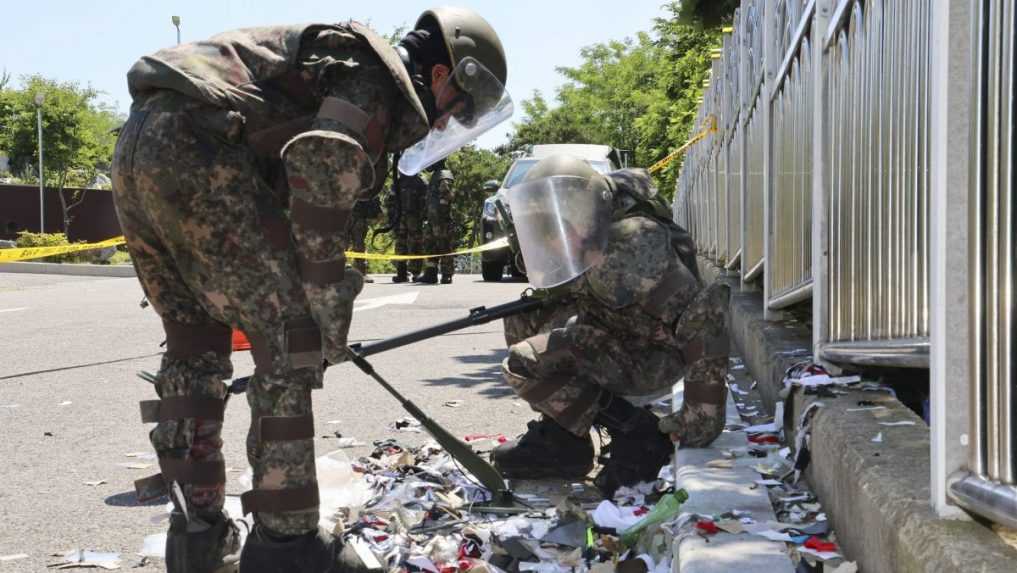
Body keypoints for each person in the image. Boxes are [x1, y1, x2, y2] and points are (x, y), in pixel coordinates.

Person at [112, 8, 508, 572]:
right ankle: (287, 544)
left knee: (193, 349)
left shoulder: (329, 59)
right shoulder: (377, 73)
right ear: (441, 75)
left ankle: (195, 538)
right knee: (291, 345)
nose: (450, 123)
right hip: (202, 150)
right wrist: (324, 302)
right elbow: (324, 158)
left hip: (139, 148)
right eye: (461, 108)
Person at [491, 155, 731, 498]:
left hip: (654, 356)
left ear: (581, 218)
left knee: (524, 362)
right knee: (522, 320)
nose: (550, 242)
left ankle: (637, 433)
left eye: (554, 230)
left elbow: (704, 316)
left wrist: (702, 416)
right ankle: (565, 441)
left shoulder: (629, 249)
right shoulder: (589, 243)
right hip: (620, 332)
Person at [386, 172, 428, 283]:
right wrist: (391, 218)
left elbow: (425, 201)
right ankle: (401, 273)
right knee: (400, 244)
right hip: (400, 217)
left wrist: (423, 217)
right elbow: (390, 201)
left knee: (416, 244)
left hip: (415, 217)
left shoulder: (420, 180)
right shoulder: (398, 182)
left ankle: (416, 273)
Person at [420, 160, 456, 284]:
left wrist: (440, 214)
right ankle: (430, 273)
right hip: (432, 219)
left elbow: (447, 196)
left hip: (441, 220)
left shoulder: (443, 175)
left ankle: (447, 274)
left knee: (444, 245)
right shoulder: (436, 175)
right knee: (430, 246)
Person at [345, 196, 384, 283]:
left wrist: (378, 211)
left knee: (359, 246)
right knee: (342, 245)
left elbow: (372, 194)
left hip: (358, 217)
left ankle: (360, 274)